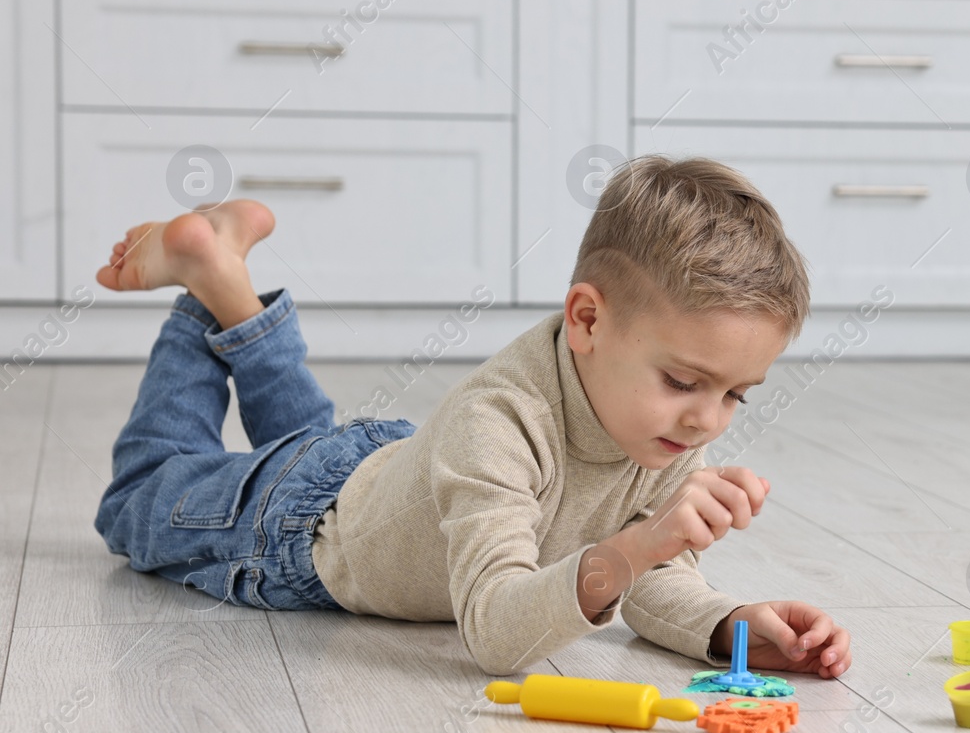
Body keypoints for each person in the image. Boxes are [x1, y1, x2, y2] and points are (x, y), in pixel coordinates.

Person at [92, 156, 852, 678]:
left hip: (394, 472)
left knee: (311, 444)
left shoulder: (663, 424)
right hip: (301, 528)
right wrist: (640, 543)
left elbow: (651, 582)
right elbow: (490, 627)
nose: (707, 421)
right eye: (686, 380)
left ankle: (225, 274)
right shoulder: (499, 423)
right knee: (139, 500)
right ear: (586, 319)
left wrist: (736, 625)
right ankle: (202, 290)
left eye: (735, 393)